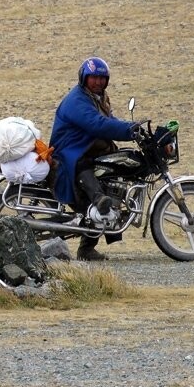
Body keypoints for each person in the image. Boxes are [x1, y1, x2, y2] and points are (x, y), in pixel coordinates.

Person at [49, 57, 138, 261]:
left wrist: (133, 128)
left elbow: (109, 120)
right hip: (70, 153)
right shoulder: (77, 100)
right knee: (87, 173)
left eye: (102, 78)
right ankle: (98, 200)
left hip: (88, 150)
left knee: (114, 171)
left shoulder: (98, 97)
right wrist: (127, 130)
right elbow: (97, 124)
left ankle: (87, 249)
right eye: (94, 77)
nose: (98, 81)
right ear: (84, 78)